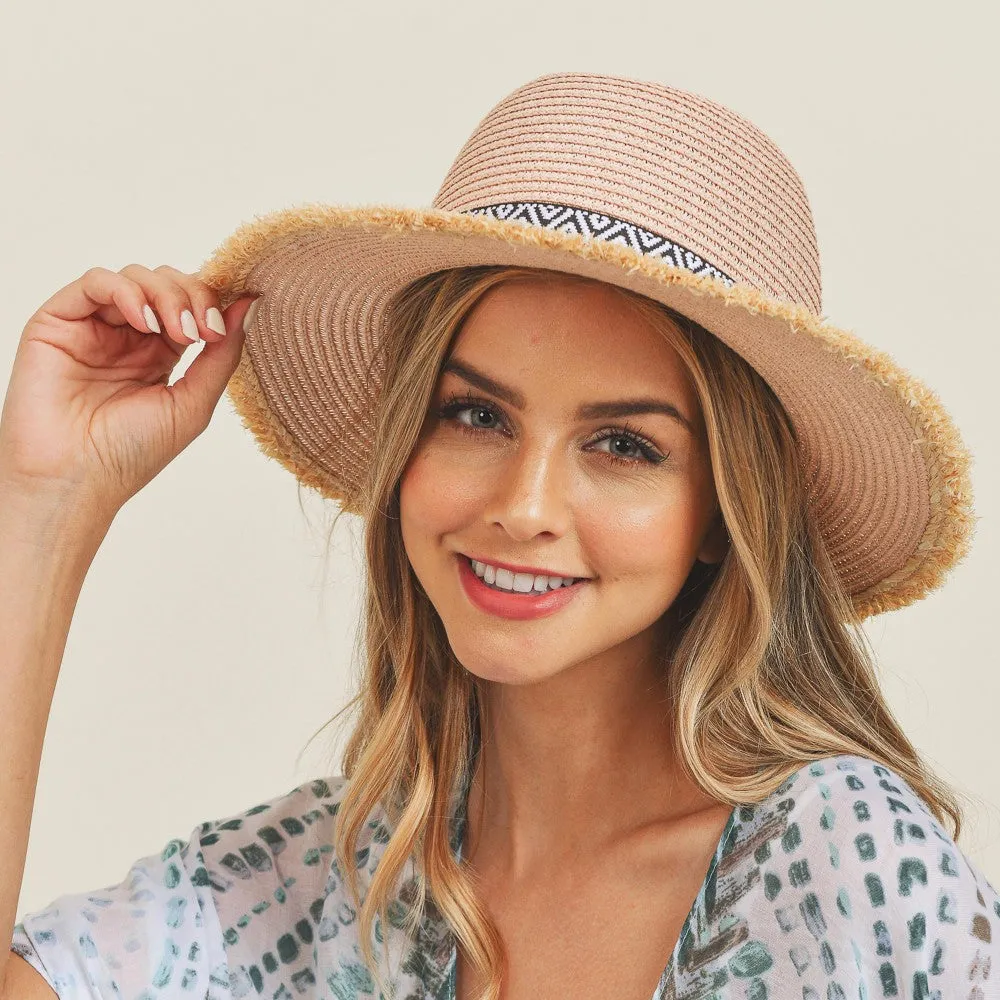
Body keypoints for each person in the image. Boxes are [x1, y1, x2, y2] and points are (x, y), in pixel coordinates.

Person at [1, 71, 997, 1000]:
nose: (524, 505)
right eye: (476, 415)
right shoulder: (314, 885)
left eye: (622, 443)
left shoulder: (837, 861)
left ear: (721, 511)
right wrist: (47, 505)